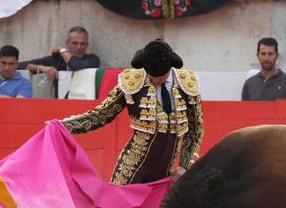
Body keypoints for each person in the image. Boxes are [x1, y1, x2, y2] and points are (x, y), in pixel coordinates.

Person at [61, 39, 203, 184]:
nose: (156, 80)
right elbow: (101, 115)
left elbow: (195, 129)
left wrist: (185, 164)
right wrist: (64, 126)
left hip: (167, 172)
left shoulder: (187, 83)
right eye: (151, 76)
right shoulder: (133, 80)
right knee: (118, 204)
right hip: (132, 167)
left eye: (161, 76)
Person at [19, 26, 101, 96]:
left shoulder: (93, 59)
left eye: (82, 44)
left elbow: (76, 65)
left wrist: (61, 50)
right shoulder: (57, 60)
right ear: (67, 43)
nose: (79, 47)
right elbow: (20, 65)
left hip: (85, 105)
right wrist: (42, 68)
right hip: (60, 106)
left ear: (87, 45)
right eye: (75, 43)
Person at [241, 37, 286, 101]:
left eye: (270, 54)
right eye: (263, 54)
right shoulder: (249, 84)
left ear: (277, 56)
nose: (266, 58)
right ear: (257, 56)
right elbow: (244, 110)